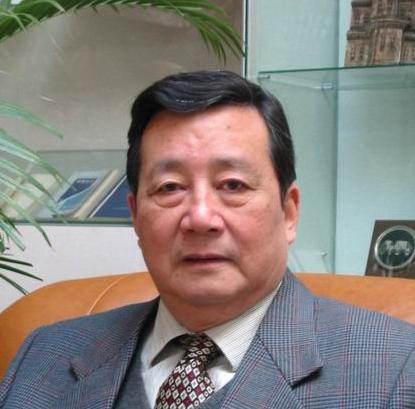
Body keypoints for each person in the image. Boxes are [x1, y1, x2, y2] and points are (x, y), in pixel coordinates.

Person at [1, 71, 415, 409]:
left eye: (233, 185)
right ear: (136, 216)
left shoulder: (395, 371)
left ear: (289, 213)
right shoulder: (44, 355)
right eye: (169, 187)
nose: (200, 218)